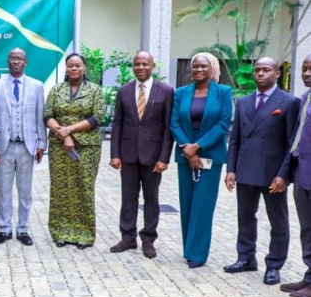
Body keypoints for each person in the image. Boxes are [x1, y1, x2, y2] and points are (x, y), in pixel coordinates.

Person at [223, 57, 299, 285]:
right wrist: (231, 169)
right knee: (245, 217)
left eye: (266, 70)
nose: (260, 74)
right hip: (246, 168)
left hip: (273, 172)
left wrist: (283, 174)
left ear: (277, 74)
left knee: (278, 220)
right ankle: (246, 258)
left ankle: (274, 264)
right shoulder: (243, 102)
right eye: (257, 70)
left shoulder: (289, 102)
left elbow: (291, 143)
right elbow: (234, 139)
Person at [170, 53, 233, 269]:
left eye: (203, 66)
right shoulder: (181, 93)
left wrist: (198, 146)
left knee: (203, 205)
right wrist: (189, 150)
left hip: (211, 156)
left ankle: (197, 253)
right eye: (195, 66)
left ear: (212, 68)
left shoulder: (223, 92)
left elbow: (223, 124)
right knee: (187, 202)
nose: (198, 69)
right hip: (185, 155)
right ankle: (188, 249)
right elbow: (174, 122)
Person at [109, 51, 174, 259]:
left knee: (151, 199)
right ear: (133, 66)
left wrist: (164, 158)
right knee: (128, 198)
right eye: (137, 64)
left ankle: (148, 239)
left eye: (145, 64)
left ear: (153, 66)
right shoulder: (124, 90)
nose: (141, 67)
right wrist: (114, 154)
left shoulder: (166, 91)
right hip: (127, 154)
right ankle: (128, 237)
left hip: (153, 156)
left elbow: (168, 128)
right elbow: (117, 124)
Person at [44, 53, 105, 249]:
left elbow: (97, 117)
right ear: (66, 68)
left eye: (77, 65)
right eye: (70, 65)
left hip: (87, 148)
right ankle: (60, 232)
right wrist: (64, 135)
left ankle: (84, 235)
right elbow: (47, 116)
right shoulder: (56, 90)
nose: (74, 68)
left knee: (83, 188)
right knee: (60, 188)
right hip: (59, 146)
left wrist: (69, 130)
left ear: (84, 68)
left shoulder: (95, 90)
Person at [0, 48, 46, 247]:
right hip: (4, 146)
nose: (15, 61)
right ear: (7, 61)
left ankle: (23, 229)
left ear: (26, 62)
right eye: (12, 58)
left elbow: (40, 116)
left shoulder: (36, 86)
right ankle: (4, 229)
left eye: (19, 59)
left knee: (25, 191)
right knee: (4, 191)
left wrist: (41, 143)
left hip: (26, 146)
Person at [281, 54, 311, 297]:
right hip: (302, 171)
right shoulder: (305, 98)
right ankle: (309, 276)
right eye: (304, 68)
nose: (307, 73)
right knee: (307, 227)